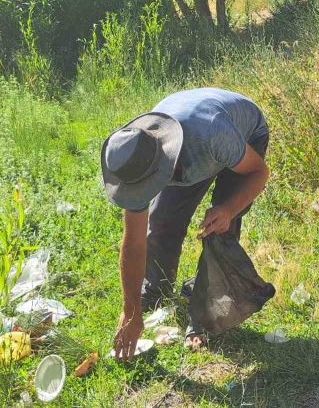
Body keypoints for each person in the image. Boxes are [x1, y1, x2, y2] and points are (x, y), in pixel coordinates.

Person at [101, 88, 270, 359]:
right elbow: (133, 242)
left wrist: (228, 209)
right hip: (194, 146)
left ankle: (205, 318)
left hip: (241, 137)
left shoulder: (213, 136)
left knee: (220, 230)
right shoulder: (135, 161)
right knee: (161, 223)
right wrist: (130, 311)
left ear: (162, 165)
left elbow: (259, 172)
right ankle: (156, 290)